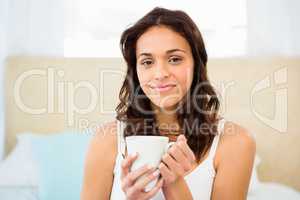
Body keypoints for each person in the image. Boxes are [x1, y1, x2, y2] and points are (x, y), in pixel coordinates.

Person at [81, 7, 256, 200]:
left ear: (196, 64)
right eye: (147, 62)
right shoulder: (107, 141)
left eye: (174, 59)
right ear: (136, 71)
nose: (160, 74)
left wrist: (174, 183)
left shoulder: (235, 142)